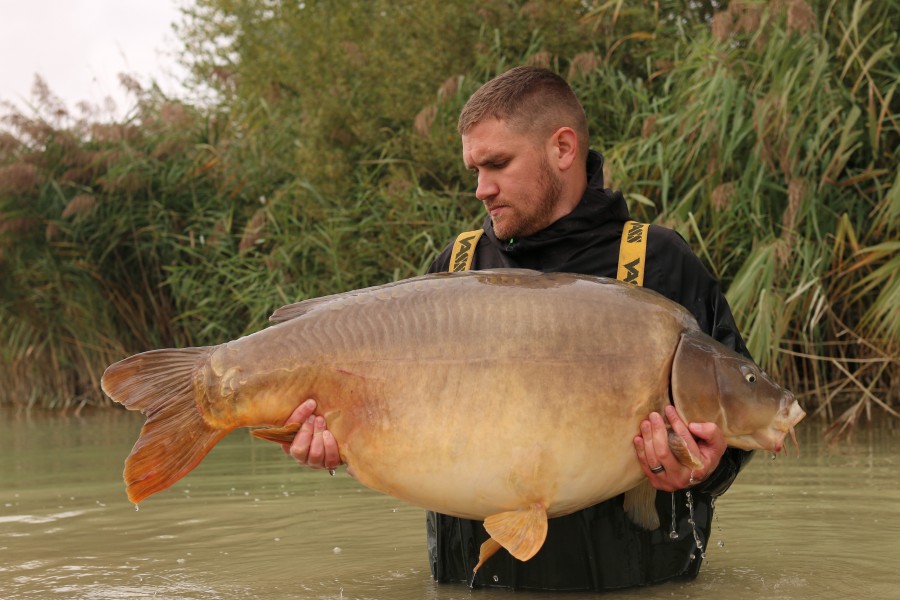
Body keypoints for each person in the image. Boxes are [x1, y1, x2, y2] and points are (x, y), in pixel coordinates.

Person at [279, 66, 754, 591]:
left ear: (563, 149)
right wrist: (332, 442)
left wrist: (708, 466)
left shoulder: (658, 263)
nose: (481, 189)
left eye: (498, 164)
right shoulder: (454, 268)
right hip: (473, 585)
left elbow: (742, 417)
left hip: (633, 585)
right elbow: (391, 423)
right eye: (474, 169)